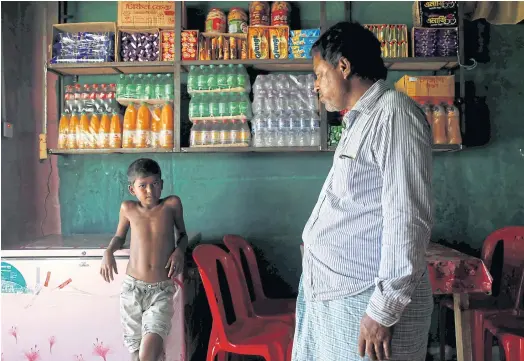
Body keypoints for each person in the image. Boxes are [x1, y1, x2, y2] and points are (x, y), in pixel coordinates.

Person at [293, 22, 434, 361]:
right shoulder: (363, 120)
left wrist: (384, 310)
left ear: (343, 67)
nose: (316, 87)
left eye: (320, 75)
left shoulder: (394, 115)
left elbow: (408, 216)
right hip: (340, 293)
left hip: (366, 298)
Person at [100, 158, 188, 361]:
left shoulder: (171, 205)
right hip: (132, 290)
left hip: (161, 291)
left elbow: (183, 235)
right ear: (132, 189)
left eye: (155, 184)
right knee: (135, 354)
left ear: (162, 184)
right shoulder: (128, 208)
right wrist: (108, 252)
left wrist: (179, 251)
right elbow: (119, 237)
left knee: (146, 355)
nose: (150, 191)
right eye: (143, 186)